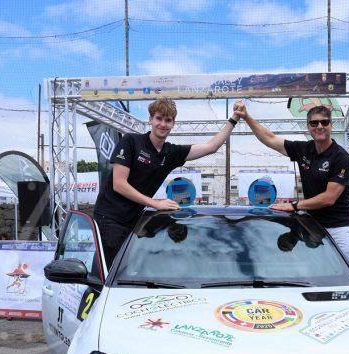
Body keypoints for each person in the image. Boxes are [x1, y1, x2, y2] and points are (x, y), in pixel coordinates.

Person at [93, 98, 241, 267]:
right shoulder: (131, 141)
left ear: (173, 124)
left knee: (132, 267)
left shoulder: (171, 153)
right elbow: (119, 184)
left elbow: (211, 147)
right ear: (150, 120)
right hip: (110, 218)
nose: (162, 124)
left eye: (168, 120)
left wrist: (234, 118)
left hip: (135, 221)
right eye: (158, 118)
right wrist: (155, 203)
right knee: (113, 270)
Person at [234, 101, 349, 262]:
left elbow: (329, 198)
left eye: (324, 122)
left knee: (344, 272)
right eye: (314, 123)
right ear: (308, 127)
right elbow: (270, 138)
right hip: (312, 225)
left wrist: (294, 206)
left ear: (331, 125)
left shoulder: (341, 157)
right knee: (315, 271)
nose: (319, 126)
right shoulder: (303, 149)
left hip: (339, 227)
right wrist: (246, 117)